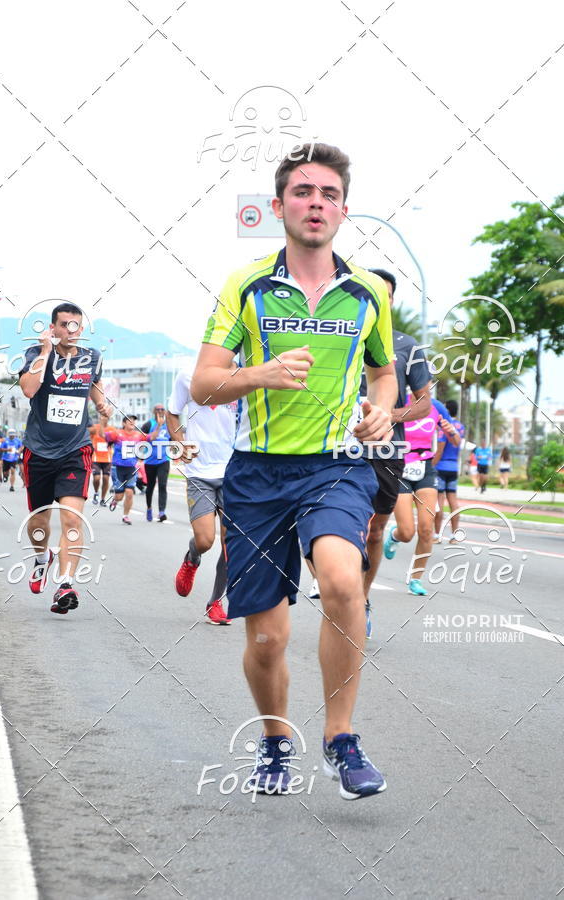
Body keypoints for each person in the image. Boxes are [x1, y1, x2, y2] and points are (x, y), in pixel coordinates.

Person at [192, 142, 397, 799]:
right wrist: (260, 374)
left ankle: (341, 740)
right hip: (256, 476)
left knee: (342, 580)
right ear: (279, 207)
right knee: (267, 642)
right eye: (304, 193)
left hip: (337, 467)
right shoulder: (244, 285)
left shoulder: (367, 292)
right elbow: (203, 384)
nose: (317, 204)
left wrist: (383, 412)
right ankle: (277, 739)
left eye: (329, 194)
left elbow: (384, 371)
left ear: (344, 210)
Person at [19, 301, 111, 613]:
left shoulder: (92, 357)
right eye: (64, 325)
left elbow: (93, 386)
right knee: (39, 519)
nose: (70, 331)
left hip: (76, 449)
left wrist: (101, 404)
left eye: (76, 325)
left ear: (81, 329)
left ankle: (66, 584)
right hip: (39, 450)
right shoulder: (35, 354)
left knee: (72, 518)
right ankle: (41, 557)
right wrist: (45, 352)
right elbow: (29, 390)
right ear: (54, 327)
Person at [357, 269, 432, 637]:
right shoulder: (346, 336)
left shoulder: (408, 346)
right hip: (339, 447)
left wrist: (387, 415)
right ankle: (340, 590)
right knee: (340, 524)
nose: (378, 298)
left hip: (388, 447)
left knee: (375, 530)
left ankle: (362, 599)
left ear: (391, 300)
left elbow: (424, 405)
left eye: (385, 293)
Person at [167, 368, 236, 625]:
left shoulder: (244, 373)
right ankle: (192, 558)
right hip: (200, 471)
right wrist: (180, 442)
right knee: (205, 540)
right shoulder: (189, 374)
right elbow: (172, 413)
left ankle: (216, 601)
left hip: (234, 472)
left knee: (232, 547)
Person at [383, 397, 459, 595]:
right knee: (407, 532)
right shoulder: (399, 401)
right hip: (399, 467)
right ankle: (394, 535)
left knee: (426, 529)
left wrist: (451, 432)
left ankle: (416, 579)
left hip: (425, 469)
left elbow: (455, 440)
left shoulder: (436, 406)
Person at [434, 399, 466, 543]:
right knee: (453, 501)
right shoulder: (460, 426)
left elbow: (440, 451)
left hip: (441, 467)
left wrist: (432, 465)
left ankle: (437, 535)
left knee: (439, 502)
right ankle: (454, 535)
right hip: (454, 467)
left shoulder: (444, 427)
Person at [104, 414, 144, 524]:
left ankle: (125, 516)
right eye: (130, 421)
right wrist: (103, 422)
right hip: (118, 468)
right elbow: (103, 436)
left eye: (134, 421)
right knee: (119, 496)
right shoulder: (117, 433)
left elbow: (150, 438)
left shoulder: (138, 435)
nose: (132, 422)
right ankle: (115, 500)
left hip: (131, 468)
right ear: (124, 423)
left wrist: (159, 426)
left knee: (130, 492)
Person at [140, 404, 171, 523]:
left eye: (162, 409)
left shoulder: (169, 425)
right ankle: (149, 508)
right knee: (150, 486)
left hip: (164, 460)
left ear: (165, 411)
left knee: (163, 485)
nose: (160, 411)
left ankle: (162, 512)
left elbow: (173, 439)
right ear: (153, 411)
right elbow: (144, 438)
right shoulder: (149, 424)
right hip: (150, 461)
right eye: (157, 409)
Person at [89, 414, 112, 506]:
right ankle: (96, 492)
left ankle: (102, 499)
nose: (103, 418)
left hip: (107, 458)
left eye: (105, 417)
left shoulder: (112, 429)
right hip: (96, 457)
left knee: (106, 478)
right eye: (101, 417)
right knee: (97, 478)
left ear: (108, 418)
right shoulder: (95, 428)